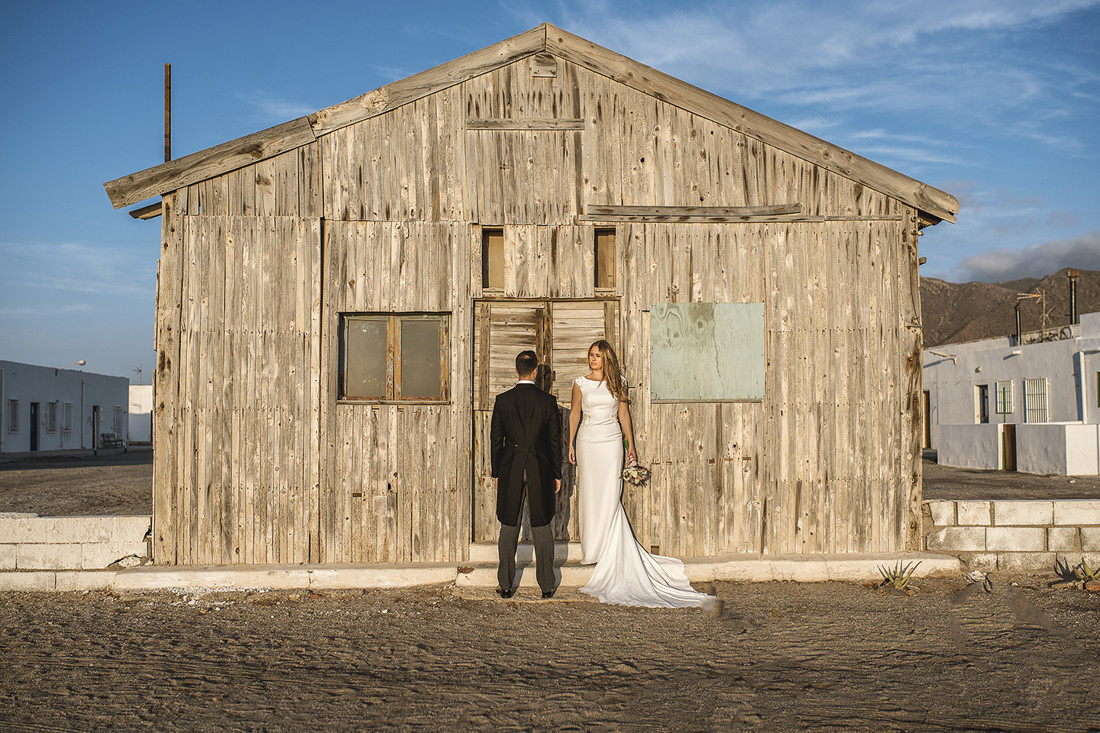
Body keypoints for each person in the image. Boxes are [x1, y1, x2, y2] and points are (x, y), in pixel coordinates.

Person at [569, 340, 714, 609]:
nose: (593, 360)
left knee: (612, 494)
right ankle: (593, 549)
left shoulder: (619, 382)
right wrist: (570, 442)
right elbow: (575, 413)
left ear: (607, 358)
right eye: (590, 355)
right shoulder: (580, 383)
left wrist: (630, 446)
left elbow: (623, 414)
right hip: (588, 440)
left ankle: (609, 549)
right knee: (590, 492)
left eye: (597, 356)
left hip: (612, 441)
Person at [490, 350, 563, 599]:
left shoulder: (502, 400)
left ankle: (505, 584)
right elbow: (555, 442)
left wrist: (496, 471)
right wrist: (557, 472)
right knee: (542, 524)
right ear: (534, 372)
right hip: (539, 467)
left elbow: (495, 440)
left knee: (508, 524)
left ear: (516, 370)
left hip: (510, 466)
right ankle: (546, 585)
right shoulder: (548, 402)